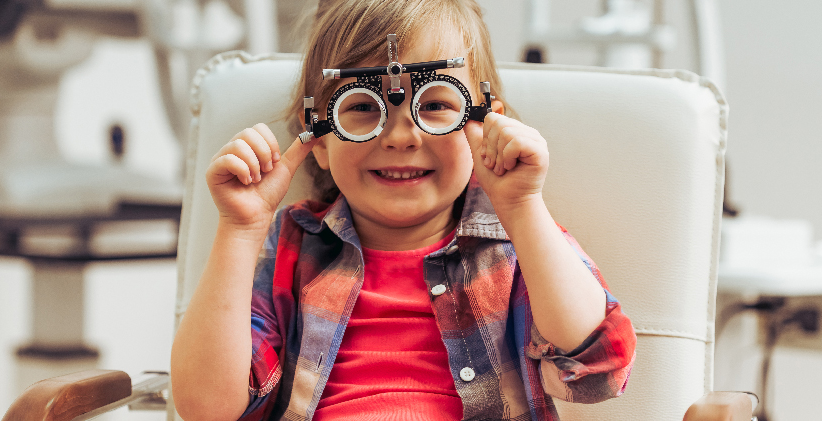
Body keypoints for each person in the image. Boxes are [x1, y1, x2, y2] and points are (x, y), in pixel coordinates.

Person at [170, 0, 636, 420]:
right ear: (317, 138)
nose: (400, 135)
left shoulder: (516, 241)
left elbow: (598, 372)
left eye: (434, 104)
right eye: (363, 108)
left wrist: (522, 206)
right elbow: (208, 410)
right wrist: (239, 228)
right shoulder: (291, 245)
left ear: (485, 122)